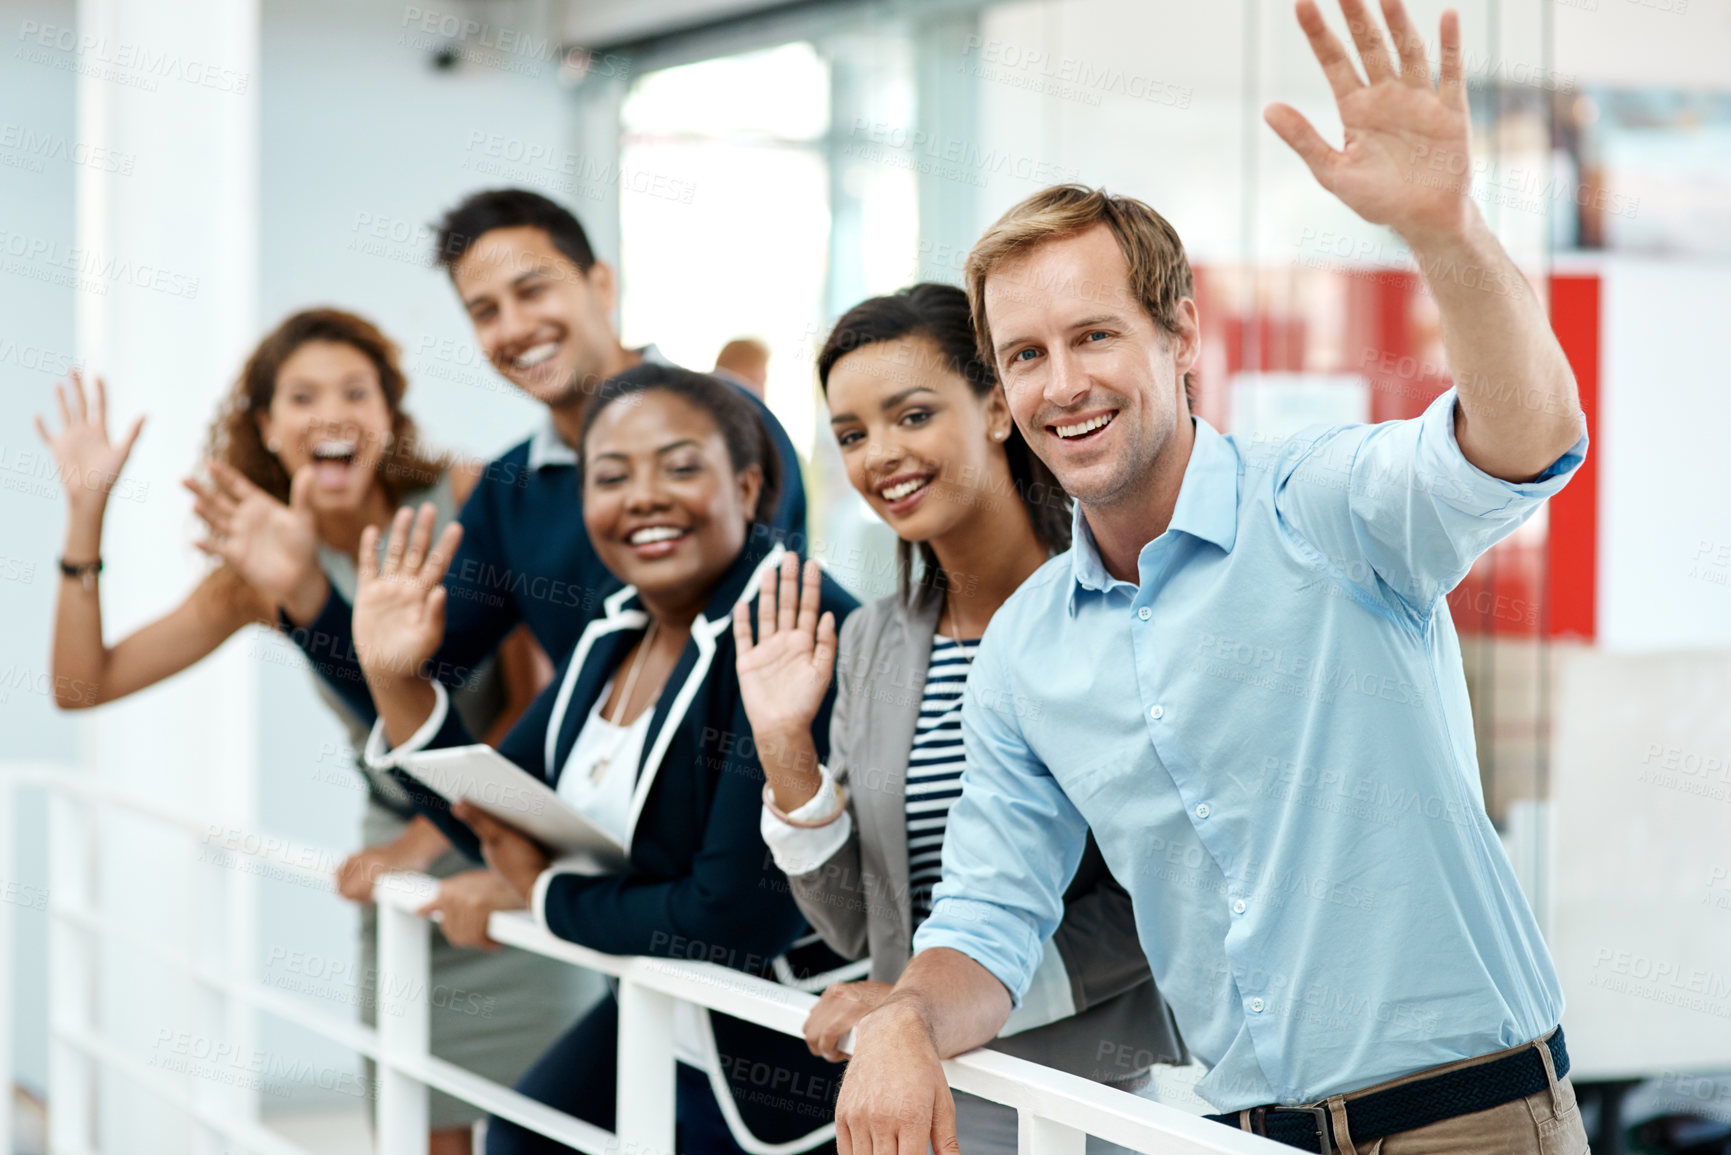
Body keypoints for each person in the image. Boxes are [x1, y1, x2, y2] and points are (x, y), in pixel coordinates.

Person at [834, 2, 1592, 1152]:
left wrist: (1446, 235)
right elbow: (987, 932)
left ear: (1180, 332)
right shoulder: (1028, 648)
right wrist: (899, 1021)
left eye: (1096, 336)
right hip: (1235, 1133)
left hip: (1468, 1117)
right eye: (1026, 356)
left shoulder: (1326, 508)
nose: (1063, 384)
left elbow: (1526, 439)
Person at [35, 310, 596, 1155]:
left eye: (353, 392)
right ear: (266, 426)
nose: (330, 412)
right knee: (419, 1124)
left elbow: (533, 704)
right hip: (403, 884)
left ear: (387, 414)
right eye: (301, 396)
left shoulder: (468, 500)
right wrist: (86, 514)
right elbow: (83, 684)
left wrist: (420, 844)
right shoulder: (262, 571)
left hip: (508, 850)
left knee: (554, 1125)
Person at [352, 363, 861, 1154]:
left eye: (680, 466)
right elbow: (496, 809)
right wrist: (397, 684)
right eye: (610, 475)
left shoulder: (796, 626)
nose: (643, 495)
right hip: (660, 1009)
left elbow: (728, 918)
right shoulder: (614, 625)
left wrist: (546, 894)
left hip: (786, 1053)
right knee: (520, 1139)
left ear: (752, 484)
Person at [731, 284, 1186, 1152]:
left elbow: (1155, 892)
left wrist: (924, 1008)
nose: (881, 456)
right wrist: (784, 747)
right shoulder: (872, 641)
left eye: (910, 415)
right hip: (909, 1097)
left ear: (994, 409)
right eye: (852, 434)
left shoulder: (1113, 607)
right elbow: (860, 925)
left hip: (1074, 1096)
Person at [220, 189, 806, 730]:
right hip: (595, 827)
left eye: (533, 290)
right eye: (485, 311)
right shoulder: (509, 490)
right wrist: (306, 592)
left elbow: (722, 651)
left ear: (600, 286)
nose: (517, 328)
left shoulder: (729, 422)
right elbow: (404, 683)